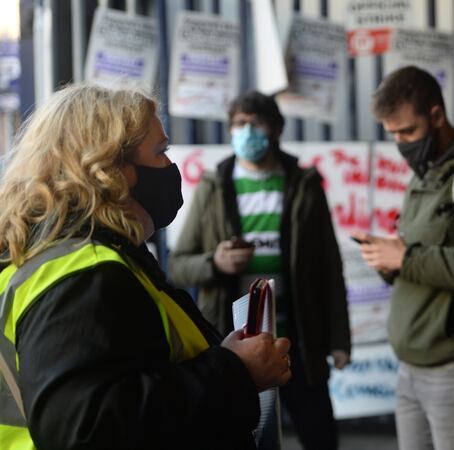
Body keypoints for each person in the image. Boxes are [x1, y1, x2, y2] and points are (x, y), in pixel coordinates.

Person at [0, 84, 292, 450]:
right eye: (160, 152)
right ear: (110, 171)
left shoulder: (62, 258)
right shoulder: (84, 275)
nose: (170, 167)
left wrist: (226, 358)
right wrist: (235, 373)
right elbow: (86, 430)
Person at [169, 90, 350, 450]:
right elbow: (178, 265)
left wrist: (339, 341)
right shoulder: (214, 186)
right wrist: (215, 263)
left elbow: (329, 267)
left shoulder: (304, 184)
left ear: (276, 129)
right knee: (247, 437)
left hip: (297, 342)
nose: (247, 132)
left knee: (319, 435)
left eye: (256, 123)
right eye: (239, 124)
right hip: (235, 348)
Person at [353, 66, 454, 450]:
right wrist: (389, 262)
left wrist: (406, 258)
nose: (401, 143)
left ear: (436, 115)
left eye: (407, 132)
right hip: (412, 368)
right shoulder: (427, 172)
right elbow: (422, 253)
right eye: (393, 135)